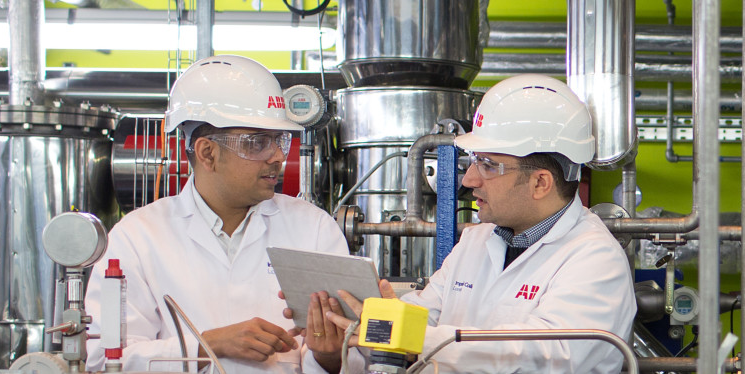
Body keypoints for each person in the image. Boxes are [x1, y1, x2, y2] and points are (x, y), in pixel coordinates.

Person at [300, 74, 636, 373]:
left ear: (541, 183)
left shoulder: (595, 260)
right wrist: (368, 319)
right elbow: (425, 318)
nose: (471, 179)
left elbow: (549, 358)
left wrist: (407, 333)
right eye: (474, 161)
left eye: (489, 165)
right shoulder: (477, 241)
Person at [83, 55, 347, 372]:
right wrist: (208, 344)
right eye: (257, 142)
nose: (277, 156)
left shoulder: (314, 228)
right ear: (208, 153)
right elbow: (105, 361)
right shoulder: (137, 237)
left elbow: (352, 359)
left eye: (279, 140)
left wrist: (329, 355)